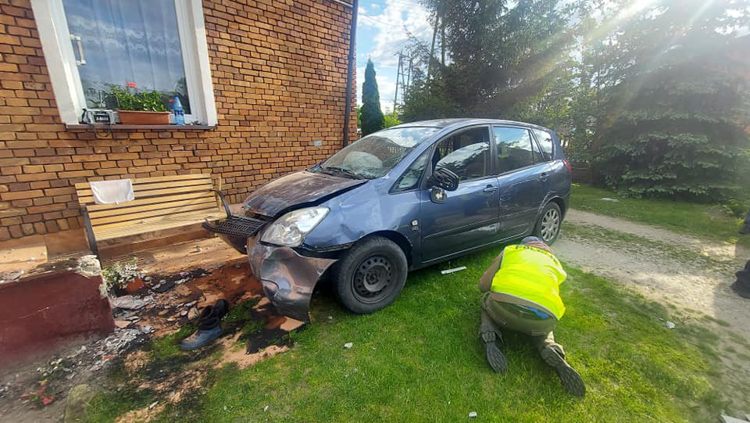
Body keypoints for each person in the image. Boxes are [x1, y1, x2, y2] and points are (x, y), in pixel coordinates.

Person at [478, 236, 586, 397]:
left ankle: (490, 333)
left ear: (523, 245)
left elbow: (483, 285)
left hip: (504, 309)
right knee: (542, 325)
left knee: (487, 301)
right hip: (543, 317)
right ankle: (550, 347)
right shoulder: (554, 262)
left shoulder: (510, 251)